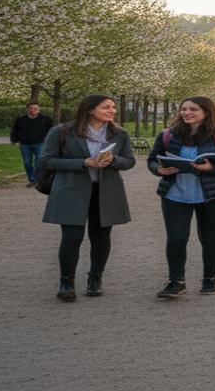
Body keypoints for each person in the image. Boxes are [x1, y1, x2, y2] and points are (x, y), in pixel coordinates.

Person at [39, 95, 135, 301]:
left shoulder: (119, 134)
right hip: (71, 191)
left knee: (101, 237)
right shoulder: (62, 131)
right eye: (106, 107)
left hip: (106, 191)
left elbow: (129, 161)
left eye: (113, 107)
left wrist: (113, 160)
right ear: (90, 110)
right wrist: (84, 162)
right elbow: (47, 160)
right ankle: (66, 282)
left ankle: (95, 279)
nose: (112, 111)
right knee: (71, 237)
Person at [148, 96, 215, 298]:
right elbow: (152, 159)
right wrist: (158, 169)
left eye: (193, 109)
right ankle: (176, 281)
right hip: (175, 193)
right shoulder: (168, 134)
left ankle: (209, 278)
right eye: (184, 109)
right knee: (176, 239)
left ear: (207, 112)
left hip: (213, 194)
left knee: (209, 238)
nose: (187, 113)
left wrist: (212, 167)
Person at [11, 102, 53, 187]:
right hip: (25, 144)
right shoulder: (21, 120)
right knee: (27, 163)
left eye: (35, 108)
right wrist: (14, 140)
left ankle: (34, 180)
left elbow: (52, 131)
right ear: (27, 109)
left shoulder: (46, 119)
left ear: (39, 109)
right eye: (31, 108)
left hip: (40, 143)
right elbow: (14, 130)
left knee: (38, 163)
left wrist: (48, 140)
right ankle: (31, 179)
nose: (33, 110)